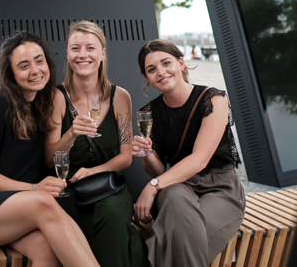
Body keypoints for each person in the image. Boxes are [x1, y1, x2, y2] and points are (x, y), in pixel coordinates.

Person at [0, 31, 100, 267]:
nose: (35, 70)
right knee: (44, 202)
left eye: (39, 61)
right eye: (24, 65)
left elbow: (48, 159)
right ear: (11, 73)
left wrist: (71, 134)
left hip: (14, 206)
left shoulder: (42, 103)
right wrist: (33, 188)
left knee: (48, 252)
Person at [132, 39, 245, 267]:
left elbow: (199, 160)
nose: (161, 72)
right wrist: (148, 153)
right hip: (178, 184)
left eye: (166, 63)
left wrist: (152, 186)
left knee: (177, 237)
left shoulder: (213, 99)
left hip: (220, 187)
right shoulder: (149, 113)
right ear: (146, 78)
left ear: (181, 63)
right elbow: (158, 169)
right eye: (151, 69)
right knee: (174, 197)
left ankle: (155, 243)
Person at [45, 21, 147, 267]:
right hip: (68, 189)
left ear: (102, 54)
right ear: (68, 54)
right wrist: (71, 134)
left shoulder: (120, 97)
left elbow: (125, 157)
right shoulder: (56, 97)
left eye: (90, 48)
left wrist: (93, 171)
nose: (83, 55)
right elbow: (48, 158)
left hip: (107, 186)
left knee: (113, 214)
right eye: (75, 48)